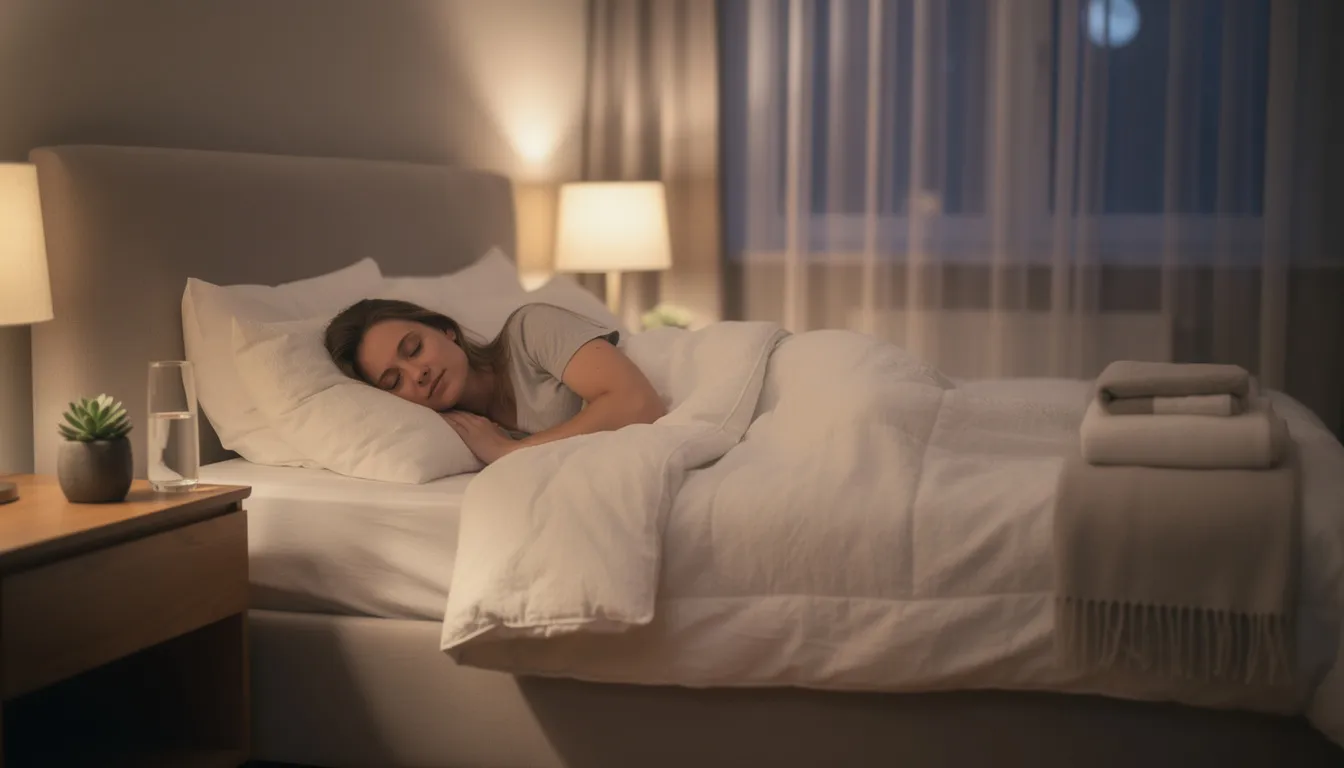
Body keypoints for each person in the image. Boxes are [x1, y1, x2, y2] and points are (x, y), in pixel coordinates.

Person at [324, 299, 665, 465]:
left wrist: (511, 452)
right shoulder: (460, 436)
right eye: (394, 381)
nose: (418, 374)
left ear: (447, 331)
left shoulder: (530, 330)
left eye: (414, 349)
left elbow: (639, 403)